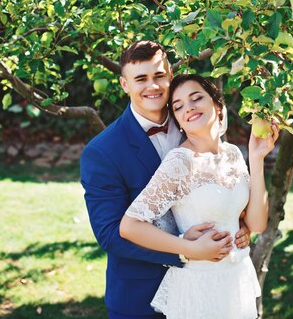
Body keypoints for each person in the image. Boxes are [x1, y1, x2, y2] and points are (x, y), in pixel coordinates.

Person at [80, 41, 251, 319]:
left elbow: (218, 180)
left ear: (170, 74)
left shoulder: (195, 117)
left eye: (159, 75)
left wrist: (236, 222)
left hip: (211, 289)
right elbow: (111, 234)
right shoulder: (102, 152)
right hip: (141, 298)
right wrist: (186, 249)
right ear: (125, 85)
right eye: (141, 79)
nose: (153, 86)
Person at [120, 73, 279, 319]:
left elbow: (257, 224)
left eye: (196, 98)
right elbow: (130, 226)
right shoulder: (180, 162)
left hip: (235, 279)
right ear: (179, 122)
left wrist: (256, 158)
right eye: (179, 106)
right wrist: (188, 248)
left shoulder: (233, 154)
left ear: (218, 105)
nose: (189, 108)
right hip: (199, 286)